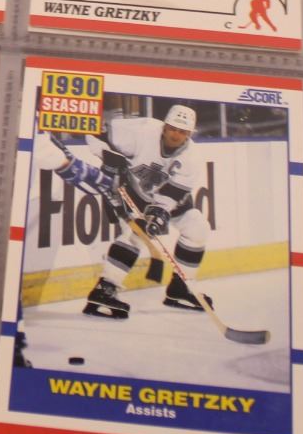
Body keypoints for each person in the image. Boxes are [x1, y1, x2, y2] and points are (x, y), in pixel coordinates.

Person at [40, 105, 215, 321]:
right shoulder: (141, 130)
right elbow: (95, 130)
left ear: (189, 134)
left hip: (166, 196)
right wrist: (108, 156)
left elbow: (172, 193)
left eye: (182, 131)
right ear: (164, 127)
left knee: (197, 227)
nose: (176, 135)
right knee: (135, 235)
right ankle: (105, 290)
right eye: (172, 128)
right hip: (133, 189)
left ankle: (181, 287)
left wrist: (158, 214)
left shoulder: (192, 157)